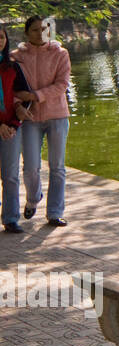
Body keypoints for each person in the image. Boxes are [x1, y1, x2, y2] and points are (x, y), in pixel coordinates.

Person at [12, 16, 71, 227]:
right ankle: (33, 199)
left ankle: (55, 213)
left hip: (57, 115)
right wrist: (19, 104)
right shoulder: (15, 57)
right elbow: (11, 89)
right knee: (30, 167)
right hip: (29, 119)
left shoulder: (60, 53)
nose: (40, 33)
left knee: (57, 167)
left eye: (44, 29)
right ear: (27, 33)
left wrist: (36, 95)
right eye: (35, 30)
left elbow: (62, 84)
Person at [1, 28, 33, 234]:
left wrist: (13, 123)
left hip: (11, 128)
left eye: (1, 37)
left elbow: (25, 96)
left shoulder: (13, 66)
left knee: (10, 175)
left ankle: (11, 218)